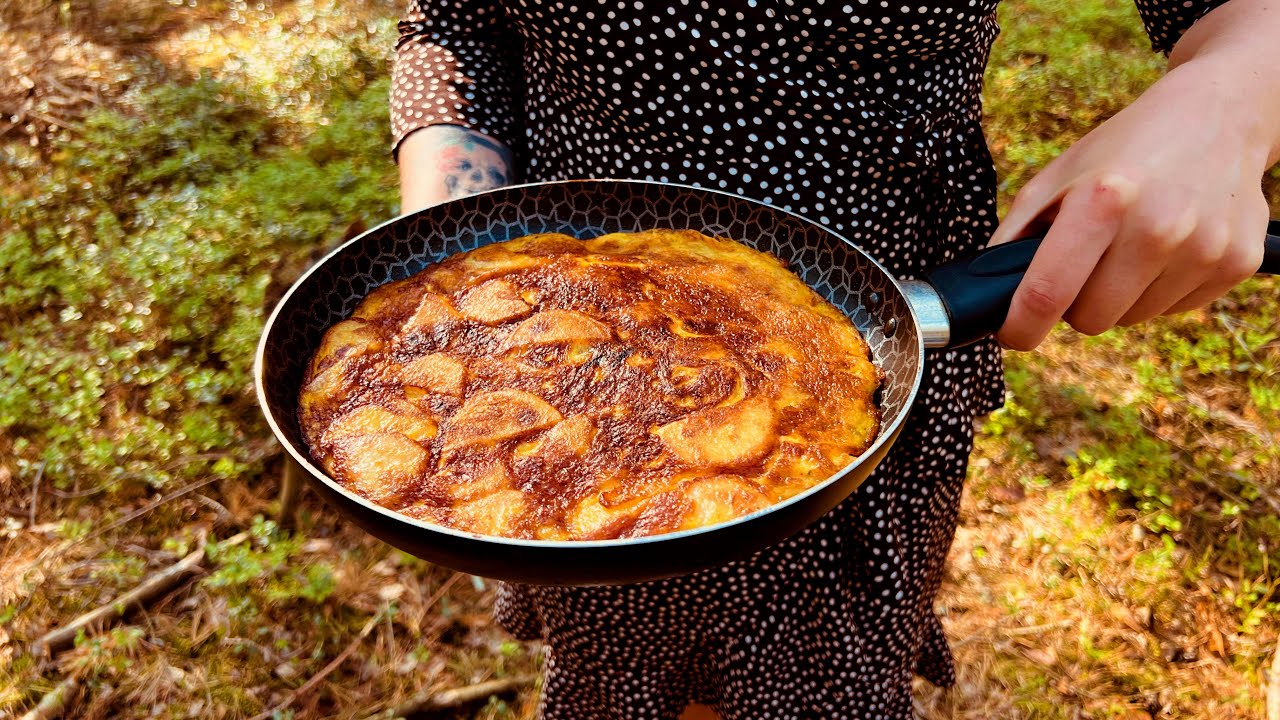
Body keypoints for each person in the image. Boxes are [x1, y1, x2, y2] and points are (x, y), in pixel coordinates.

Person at [389, 0, 1279, 717]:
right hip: (555, 296)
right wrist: (461, 286)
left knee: (807, 670)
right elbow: (453, 22)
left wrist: (1224, 101)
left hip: (864, 334)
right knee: (623, 628)